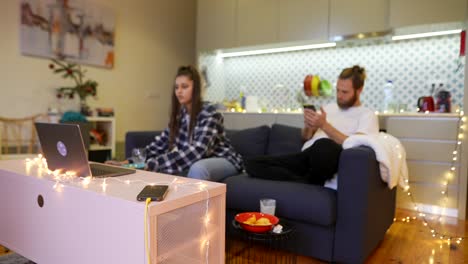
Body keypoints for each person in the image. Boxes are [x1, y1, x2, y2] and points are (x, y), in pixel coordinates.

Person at [245, 65, 379, 185]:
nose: (339, 96)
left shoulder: (367, 115)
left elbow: (357, 145)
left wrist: (324, 125)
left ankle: (307, 178)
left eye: (344, 92)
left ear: (359, 90)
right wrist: (310, 126)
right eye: (337, 90)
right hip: (304, 158)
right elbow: (306, 138)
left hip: (327, 159)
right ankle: (304, 181)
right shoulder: (328, 108)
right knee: (251, 163)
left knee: (325, 145)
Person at [109, 65, 243, 181]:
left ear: (195, 89)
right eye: (176, 87)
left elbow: (198, 151)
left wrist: (153, 164)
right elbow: (159, 145)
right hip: (198, 159)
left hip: (223, 159)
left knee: (198, 169)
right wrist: (126, 163)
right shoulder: (180, 116)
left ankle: (193, 211)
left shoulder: (211, 113)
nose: (179, 91)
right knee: (169, 167)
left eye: (184, 86)